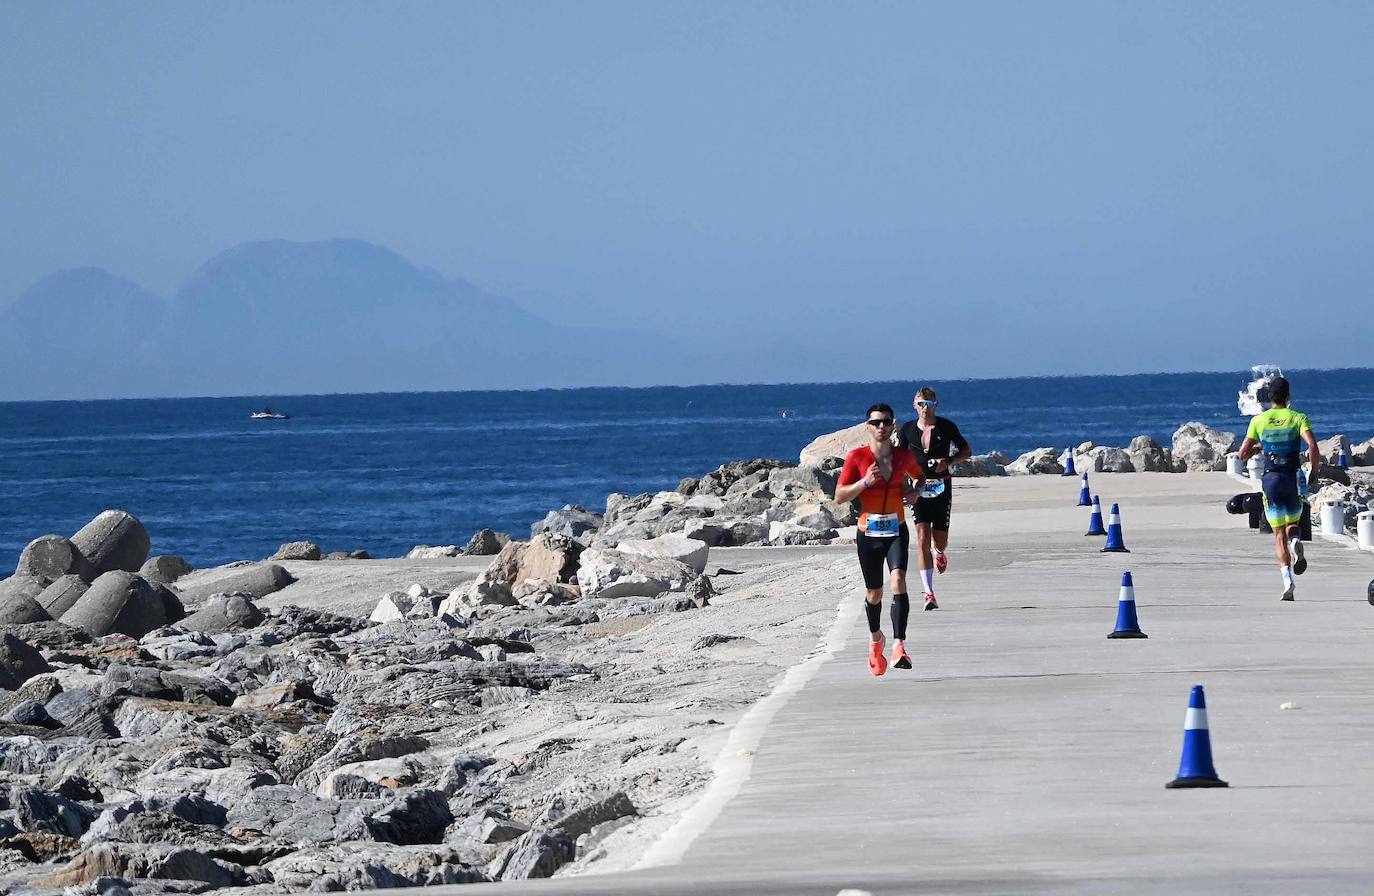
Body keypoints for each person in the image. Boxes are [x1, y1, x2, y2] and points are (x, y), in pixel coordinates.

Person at [835, 404, 922, 675]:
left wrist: (916, 493)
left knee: (898, 580)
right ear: (867, 427)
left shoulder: (903, 456)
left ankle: (899, 646)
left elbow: (920, 479)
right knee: (874, 594)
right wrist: (864, 483)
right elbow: (839, 496)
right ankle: (876, 640)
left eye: (885, 422)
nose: (881, 427)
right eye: (875, 423)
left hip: (896, 529)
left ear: (893, 425)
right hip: (868, 533)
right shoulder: (857, 457)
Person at [1237, 376, 1320, 600]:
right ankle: (1296, 541)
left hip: (1271, 479)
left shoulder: (1258, 420)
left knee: (1277, 534)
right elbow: (1313, 446)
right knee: (1293, 524)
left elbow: (1241, 454)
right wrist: (1313, 471)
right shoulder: (1298, 417)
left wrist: (1257, 448)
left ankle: (1287, 582)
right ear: (1289, 396)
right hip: (1293, 477)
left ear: (1269, 397)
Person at [897, 386, 971, 610]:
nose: (925, 409)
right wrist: (902, 489)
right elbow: (899, 460)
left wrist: (947, 462)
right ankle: (929, 593)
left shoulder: (947, 427)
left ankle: (939, 552)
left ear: (936, 406)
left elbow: (966, 451)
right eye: (921, 404)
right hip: (917, 489)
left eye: (929, 405)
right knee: (921, 538)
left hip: (942, 488)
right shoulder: (907, 430)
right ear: (914, 405)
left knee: (938, 540)